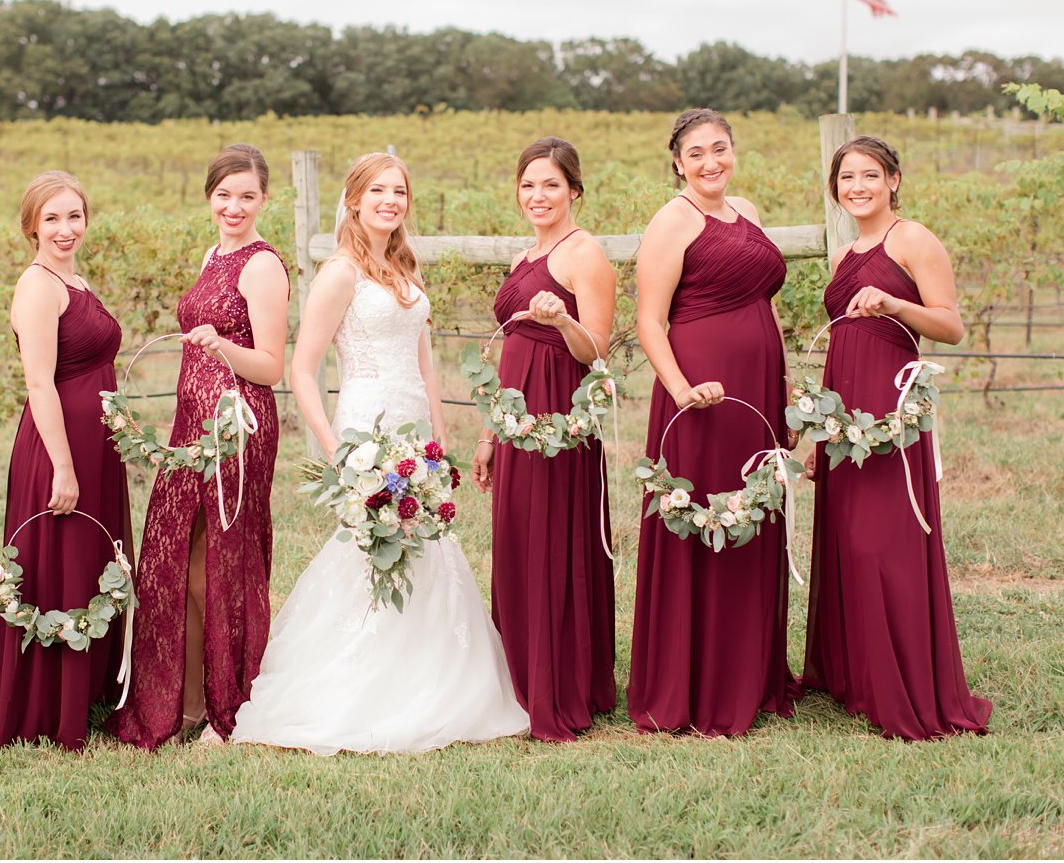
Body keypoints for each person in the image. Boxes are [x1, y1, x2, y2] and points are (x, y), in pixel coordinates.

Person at [232, 152, 529, 754]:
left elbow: (422, 360)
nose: (390, 201)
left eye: (400, 191)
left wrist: (439, 436)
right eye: (379, 191)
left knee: (426, 544)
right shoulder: (339, 272)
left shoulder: (403, 267)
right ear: (355, 199)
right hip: (365, 427)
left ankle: (434, 678)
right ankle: (359, 686)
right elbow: (303, 370)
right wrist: (338, 451)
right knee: (373, 547)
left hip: (414, 424)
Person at [801, 136, 992, 740]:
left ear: (893, 180)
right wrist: (816, 432)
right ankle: (856, 676)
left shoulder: (911, 239)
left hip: (891, 411)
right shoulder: (843, 255)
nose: (857, 187)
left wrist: (894, 304)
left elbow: (952, 326)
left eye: (869, 175)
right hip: (844, 414)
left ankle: (905, 683)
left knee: (883, 544)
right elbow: (838, 343)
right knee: (846, 541)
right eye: (846, 178)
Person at [628, 109, 800, 737]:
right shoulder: (672, 220)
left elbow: (763, 304)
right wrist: (679, 391)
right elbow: (651, 319)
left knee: (753, 514)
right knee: (706, 515)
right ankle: (694, 681)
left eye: (719, 149)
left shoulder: (748, 211)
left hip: (757, 389)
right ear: (678, 162)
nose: (710, 163)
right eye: (696, 153)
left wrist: (783, 393)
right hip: (700, 390)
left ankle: (750, 674)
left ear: (734, 151)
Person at [111, 144, 288, 748]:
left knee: (219, 567)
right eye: (224, 194)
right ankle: (183, 702)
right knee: (179, 565)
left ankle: (226, 706)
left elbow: (269, 365)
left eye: (246, 196)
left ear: (264, 200)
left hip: (236, 429)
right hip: (190, 430)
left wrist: (221, 347)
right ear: (208, 197)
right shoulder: (213, 253)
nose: (233, 206)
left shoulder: (262, 265)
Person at [0, 172, 132, 750]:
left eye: (75, 216)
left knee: (88, 564)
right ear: (32, 224)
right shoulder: (37, 287)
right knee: (56, 565)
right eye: (53, 218)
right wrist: (63, 465)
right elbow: (39, 382)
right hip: (59, 445)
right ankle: (44, 706)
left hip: (96, 442)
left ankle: (86, 696)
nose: (65, 229)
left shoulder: (75, 279)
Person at [470, 137, 616, 741]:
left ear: (574, 191)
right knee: (518, 542)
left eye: (550, 185)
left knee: (554, 542)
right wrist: (485, 435)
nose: (538, 196)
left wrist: (564, 321)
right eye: (528, 185)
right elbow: (507, 351)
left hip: (559, 418)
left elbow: (598, 353)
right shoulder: (521, 259)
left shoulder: (586, 254)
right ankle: (520, 676)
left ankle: (562, 683)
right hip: (513, 417)